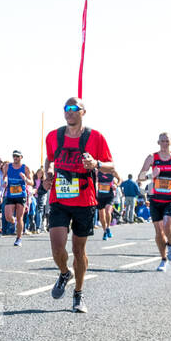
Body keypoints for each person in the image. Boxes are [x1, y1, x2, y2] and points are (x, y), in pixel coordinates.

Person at [44, 97, 115, 311]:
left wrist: (96, 164)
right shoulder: (53, 136)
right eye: (66, 108)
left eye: (74, 108)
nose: (69, 112)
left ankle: (78, 293)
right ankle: (65, 273)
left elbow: (111, 166)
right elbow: (49, 159)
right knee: (57, 247)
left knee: (78, 249)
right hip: (59, 198)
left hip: (85, 200)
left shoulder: (95, 137)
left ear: (83, 112)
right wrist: (48, 172)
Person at [137, 132, 171, 271]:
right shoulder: (152, 158)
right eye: (162, 141)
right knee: (159, 231)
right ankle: (163, 259)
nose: (165, 144)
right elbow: (140, 177)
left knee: (168, 225)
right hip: (155, 199)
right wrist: (150, 175)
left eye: (167, 141)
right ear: (158, 142)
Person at [3, 150, 32, 245]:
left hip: (21, 195)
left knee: (20, 217)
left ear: (21, 157)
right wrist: (5, 181)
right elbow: (4, 177)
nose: (15, 158)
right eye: (14, 156)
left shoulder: (26, 168)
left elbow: (32, 182)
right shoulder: (7, 166)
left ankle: (18, 239)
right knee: (8, 217)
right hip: (10, 194)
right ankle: (14, 221)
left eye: (17, 156)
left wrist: (25, 179)